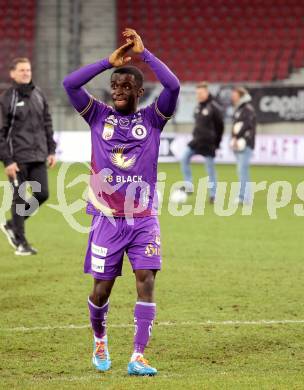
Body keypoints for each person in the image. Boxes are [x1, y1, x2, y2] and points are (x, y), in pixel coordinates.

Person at [63, 28, 180, 376]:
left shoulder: (152, 119)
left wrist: (146, 55)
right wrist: (107, 63)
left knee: (146, 278)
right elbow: (70, 84)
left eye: (126, 87)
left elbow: (173, 86)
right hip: (107, 219)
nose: (118, 91)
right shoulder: (98, 115)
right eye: (115, 86)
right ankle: (100, 340)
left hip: (143, 217)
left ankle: (138, 356)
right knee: (101, 290)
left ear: (139, 93)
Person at [0, 57, 56, 255]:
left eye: (28, 70)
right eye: (22, 70)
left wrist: (51, 149)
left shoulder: (38, 94)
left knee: (42, 194)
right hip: (18, 159)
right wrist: (7, 160)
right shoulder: (8, 98)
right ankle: (21, 243)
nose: (26, 73)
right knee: (20, 198)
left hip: (38, 155)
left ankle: (12, 225)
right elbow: (1, 132)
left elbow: (47, 122)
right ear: (13, 73)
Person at [180, 82, 224, 203]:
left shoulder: (214, 107)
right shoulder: (198, 107)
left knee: (210, 169)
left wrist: (217, 143)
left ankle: (213, 195)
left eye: (201, 93)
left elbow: (220, 126)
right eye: (197, 93)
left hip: (209, 142)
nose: (198, 95)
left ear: (207, 92)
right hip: (196, 141)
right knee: (184, 158)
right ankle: (188, 184)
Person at [230, 87, 256, 204]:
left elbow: (246, 125)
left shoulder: (247, 109)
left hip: (245, 143)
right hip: (239, 144)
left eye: (235, 95)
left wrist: (236, 137)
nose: (232, 97)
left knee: (242, 170)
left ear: (240, 96)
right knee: (241, 171)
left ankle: (244, 197)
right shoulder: (239, 109)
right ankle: (243, 196)